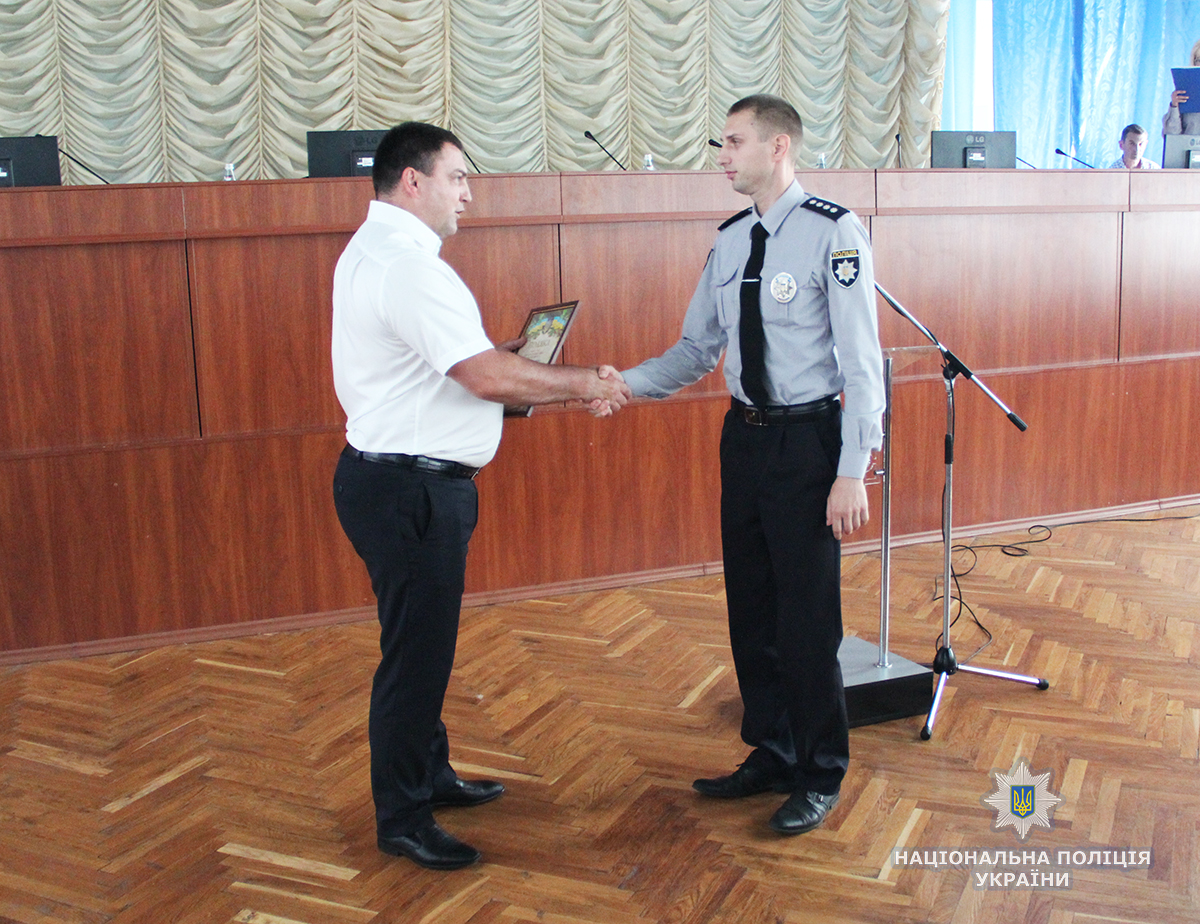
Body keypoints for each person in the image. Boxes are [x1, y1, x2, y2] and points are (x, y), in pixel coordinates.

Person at [331, 121, 631, 870]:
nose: (468, 194)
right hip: (411, 491)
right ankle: (403, 816)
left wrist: (512, 366)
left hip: (393, 481)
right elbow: (483, 377)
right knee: (416, 657)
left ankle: (427, 773)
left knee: (420, 644)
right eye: (458, 177)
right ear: (413, 181)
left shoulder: (378, 249)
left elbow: (446, 369)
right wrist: (581, 382)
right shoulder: (408, 266)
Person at [620, 95, 884, 836]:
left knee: (808, 619)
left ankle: (820, 770)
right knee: (753, 609)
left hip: (808, 445)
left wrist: (852, 468)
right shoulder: (732, 240)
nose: (723, 155)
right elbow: (694, 350)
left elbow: (863, 364)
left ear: (778, 148)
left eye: (734, 142)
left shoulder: (834, 232)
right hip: (744, 439)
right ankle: (773, 748)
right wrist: (622, 384)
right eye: (723, 143)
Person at [1163, 39, 1200, 136]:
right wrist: (1174, 106)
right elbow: (1171, 135)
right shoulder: (1185, 91)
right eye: (1199, 60)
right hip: (1188, 145)